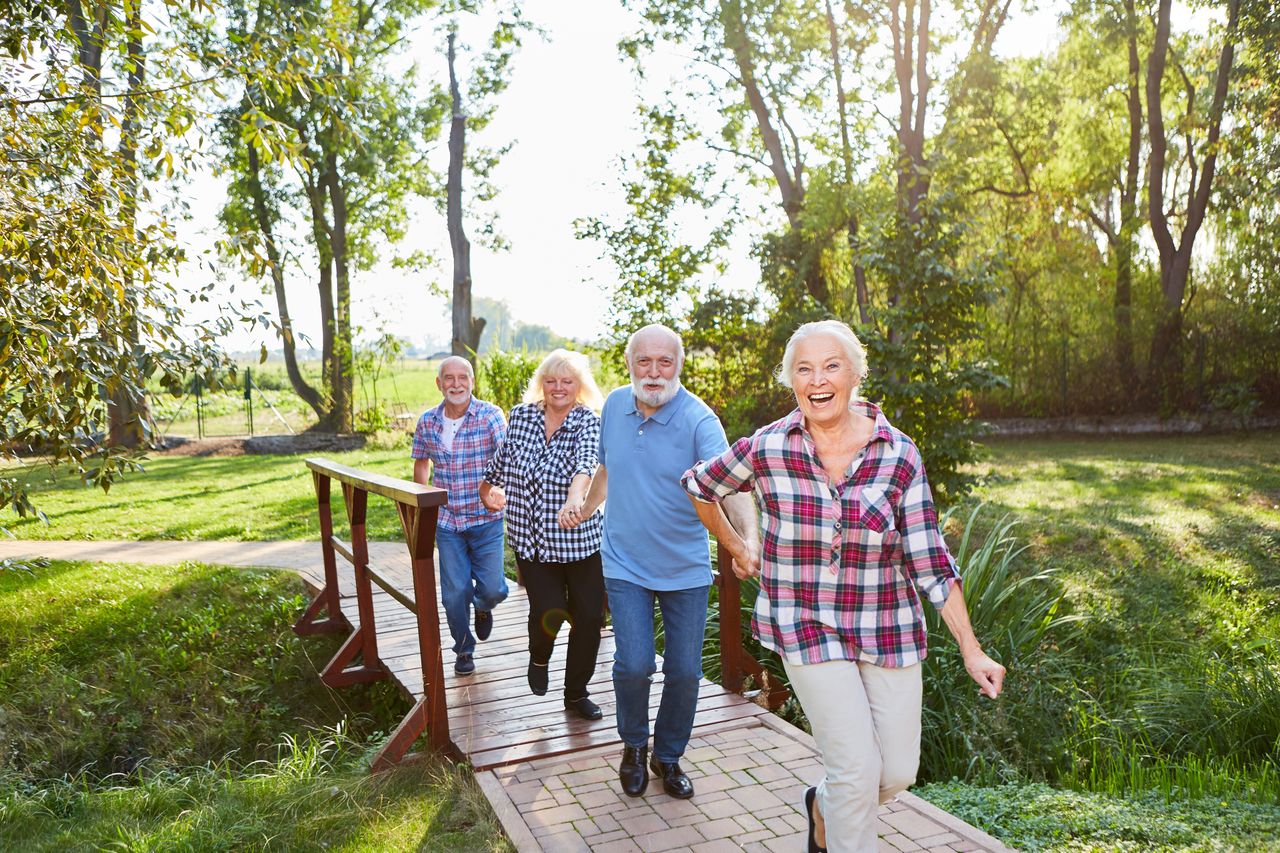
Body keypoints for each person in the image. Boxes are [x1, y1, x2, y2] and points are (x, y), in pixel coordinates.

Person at [680, 320, 1006, 853]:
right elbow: (698, 484)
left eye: (831, 365)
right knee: (856, 771)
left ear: (855, 373)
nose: (818, 379)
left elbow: (930, 558)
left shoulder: (898, 454)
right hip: (805, 623)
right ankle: (840, 813)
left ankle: (822, 807)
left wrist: (972, 649)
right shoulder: (768, 446)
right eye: (803, 369)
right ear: (791, 381)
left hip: (887, 627)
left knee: (895, 772)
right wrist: (740, 545)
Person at [575, 324, 757, 800]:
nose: (654, 373)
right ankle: (634, 746)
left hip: (684, 568)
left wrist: (744, 543)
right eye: (644, 362)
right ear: (630, 363)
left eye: (665, 363)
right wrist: (587, 508)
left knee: (684, 671)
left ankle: (667, 755)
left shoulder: (700, 421)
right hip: (624, 561)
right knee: (634, 664)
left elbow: (732, 485)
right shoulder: (614, 405)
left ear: (678, 366)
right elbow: (608, 467)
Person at [478, 349, 607, 721]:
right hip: (531, 540)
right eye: (551, 380)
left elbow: (587, 465)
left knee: (588, 618)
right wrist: (487, 491)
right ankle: (539, 657)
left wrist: (574, 499)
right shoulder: (520, 417)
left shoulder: (587, 421)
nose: (558, 388)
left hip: (580, 541)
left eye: (567, 381)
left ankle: (576, 693)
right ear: (541, 384)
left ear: (579, 386)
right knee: (547, 608)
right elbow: (500, 463)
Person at [411, 355, 509, 676]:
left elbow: (508, 457)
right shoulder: (428, 421)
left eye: (462, 378)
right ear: (439, 384)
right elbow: (422, 462)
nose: (456, 384)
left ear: (472, 381)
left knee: (494, 589)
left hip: (485, 518)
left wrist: (501, 492)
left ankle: (483, 607)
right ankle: (464, 649)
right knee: (454, 593)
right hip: (447, 521)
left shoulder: (490, 415)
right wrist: (419, 503)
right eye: (449, 379)